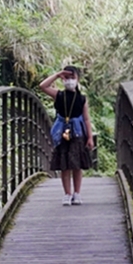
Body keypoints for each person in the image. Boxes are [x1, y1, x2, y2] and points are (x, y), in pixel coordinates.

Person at [39, 65, 94, 205]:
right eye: (67, 78)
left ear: (78, 79)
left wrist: (90, 137)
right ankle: (67, 194)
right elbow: (43, 86)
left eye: (72, 78)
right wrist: (57, 74)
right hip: (62, 132)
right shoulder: (59, 95)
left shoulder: (82, 99)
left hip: (77, 132)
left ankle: (77, 193)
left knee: (76, 164)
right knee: (65, 165)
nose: (70, 81)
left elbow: (86, 119)